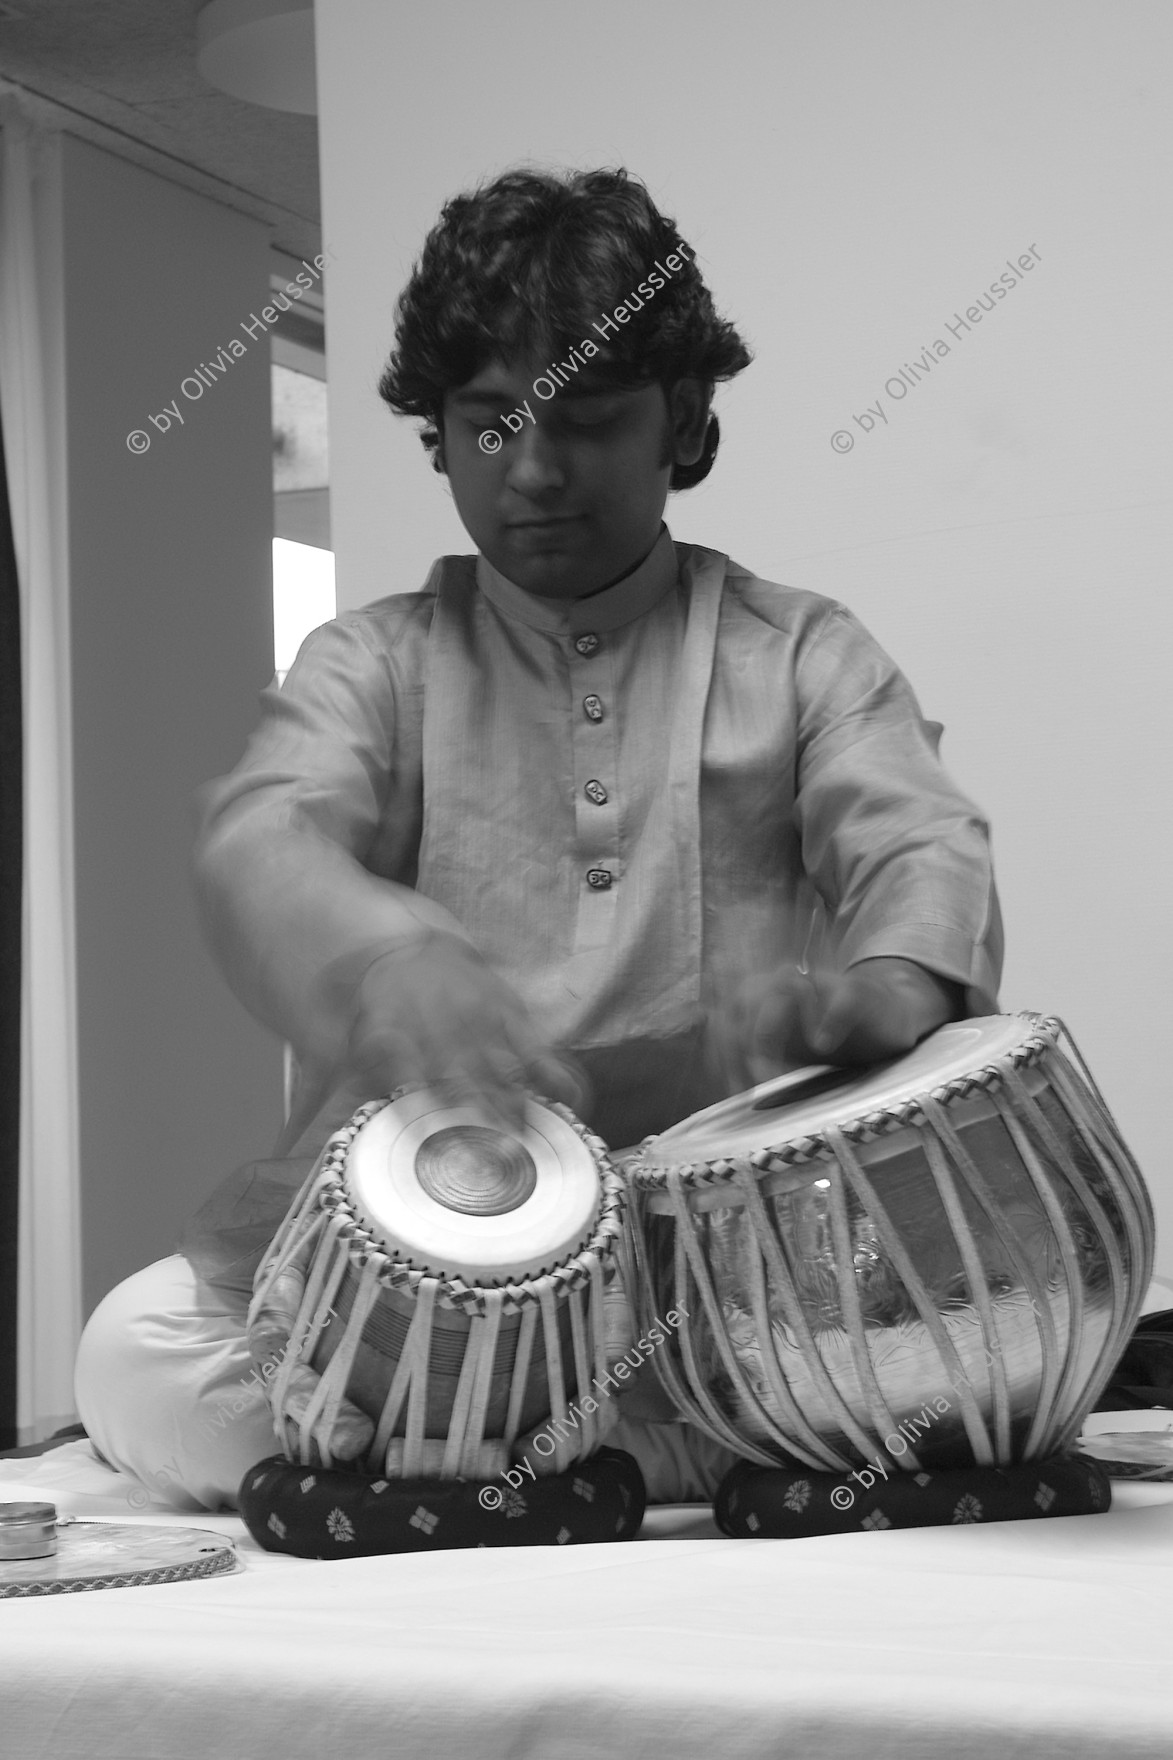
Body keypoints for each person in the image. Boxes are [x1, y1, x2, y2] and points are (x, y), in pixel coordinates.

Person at [74, 166, 1003, 1513]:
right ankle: (629, 1455)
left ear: (680, 423)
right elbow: (262, 839)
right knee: (135, 1352)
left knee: (967, 1324)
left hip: (713, 1266)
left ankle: (461, 1462)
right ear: (437, 436)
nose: (536, 469)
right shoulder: (376, 663)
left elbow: (922, 848)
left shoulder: (800, 653)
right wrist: (388, 963)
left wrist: (882, 995)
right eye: (489, 421)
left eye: (590, 421)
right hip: (423, 1260)